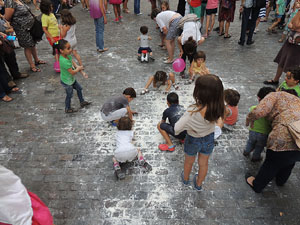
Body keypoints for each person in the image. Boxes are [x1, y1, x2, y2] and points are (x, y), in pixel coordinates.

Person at [174, 74, 225, 191]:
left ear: (199, 92)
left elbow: (177, 129)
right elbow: (219, 121)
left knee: (189, 161)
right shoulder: (220, 106)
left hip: (193, 139)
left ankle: (185, 179)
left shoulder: (192, 111)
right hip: (209, 138)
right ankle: (198, 184)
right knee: (203, 163)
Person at [245, 90, 300, 193]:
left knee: (271, 163)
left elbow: (259, 112)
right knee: (291, 159)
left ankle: (257, 185)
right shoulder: (297, 101)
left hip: (282, 137)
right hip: (299, 140)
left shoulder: (275, 94)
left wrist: (249, 118)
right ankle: (281, 180)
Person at [4, 0, 46, 72]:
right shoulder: (10, 2)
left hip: (30, 26)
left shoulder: (19, 0)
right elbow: (7, 17)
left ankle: (36, 60)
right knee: (27, 46)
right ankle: (32, 65)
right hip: (22, 28)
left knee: (33, 43)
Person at [263, 11, 300, 85]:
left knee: (294, 65)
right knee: (282, 60)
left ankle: (292, 84)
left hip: (298, 44)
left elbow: (296, 24)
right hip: (291, 40)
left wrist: (295, 26)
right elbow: (290, 24)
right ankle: (276, 79)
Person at [243, 87, 275, 162]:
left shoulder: (253, 108)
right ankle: (255, 157)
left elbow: (249, 117)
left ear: (258, 98)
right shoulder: (271, 112)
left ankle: (246, 151)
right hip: (264, 133)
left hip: (253, 131)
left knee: (250, 141)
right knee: (259, 146)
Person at [58, 39, 90, 113]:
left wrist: (82, 72)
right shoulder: (64, 61)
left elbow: (73, 63)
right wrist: (79, 68)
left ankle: (82, 102)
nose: (70, 50)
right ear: (61, 51)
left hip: (71, 79)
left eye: (70, 47)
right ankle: (67, 108)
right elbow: (72, 72)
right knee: (69, 95)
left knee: (79, 88)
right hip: (67, 82)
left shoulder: (67, 55)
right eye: (68, 48)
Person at [59, 9, 87, 78]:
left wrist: (60, 28)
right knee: (76, 53)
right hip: (74, 39)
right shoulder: (73, 22)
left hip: (68, 42)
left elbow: (63, 35)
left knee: (68, 56)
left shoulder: (66, 26)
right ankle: (81, 65)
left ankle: (72, 67)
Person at [41, 0, 60, 71]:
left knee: (59, 49)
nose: (52, 7)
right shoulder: (44, 17)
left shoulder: (51, 14)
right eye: (51, 6)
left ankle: (60, 63)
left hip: (57, 35)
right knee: (56, 50)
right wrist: (51, 38)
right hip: (53, 37)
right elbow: (44, 29)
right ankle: (57, 65)